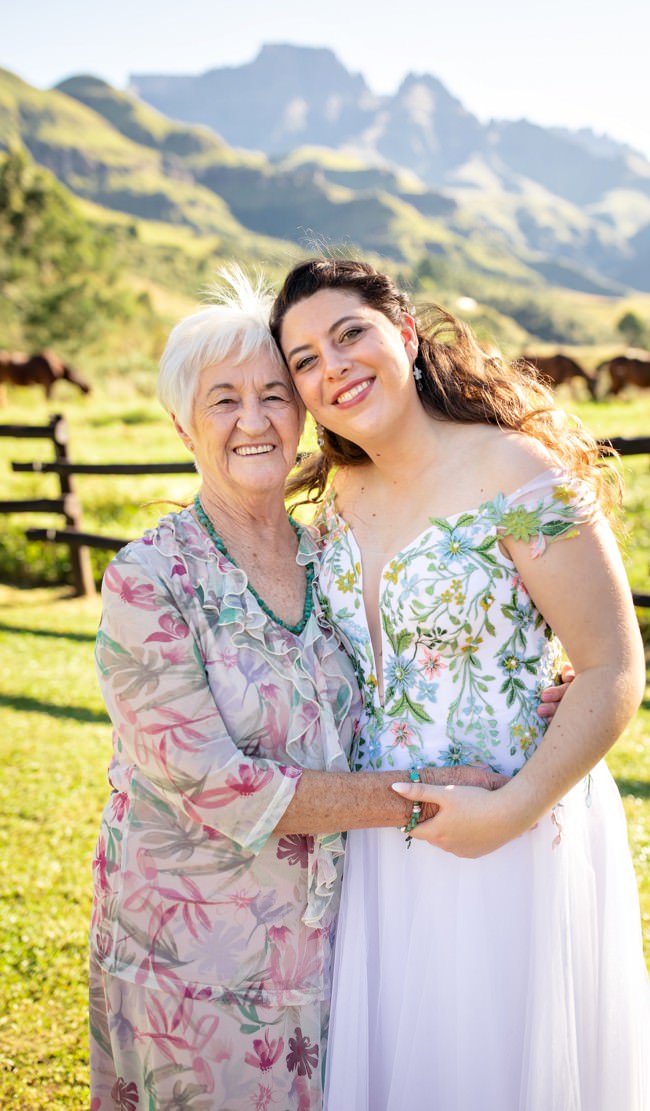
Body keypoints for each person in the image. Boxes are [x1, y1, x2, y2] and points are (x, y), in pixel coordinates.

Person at [88, 271, 526, 1111]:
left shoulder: (334, 548)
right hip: (198, 954)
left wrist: (545, 678)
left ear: (304, 412)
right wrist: (417, 800)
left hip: (339, 942)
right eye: (223, 400)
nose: (254, 421)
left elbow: (418, 650)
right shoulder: (149, 579)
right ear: (182, 421)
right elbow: (220, 787)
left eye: (273, 395)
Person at [270, 257, 650, 1110]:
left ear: (406, 334)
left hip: (513, 813)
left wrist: (509, 810)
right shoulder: (332, 499)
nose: (333, 367)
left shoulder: (515, 472)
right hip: (379, 833)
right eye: (306, 358)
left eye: (350, 333)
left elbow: (614, 665)